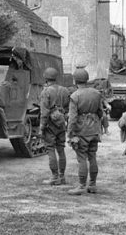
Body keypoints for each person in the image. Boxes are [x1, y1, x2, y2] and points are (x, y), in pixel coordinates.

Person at [67, 67, 104, 195]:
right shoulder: (96, 93)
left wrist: (70, 134)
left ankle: (82, 186)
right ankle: (92, 185)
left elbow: (72, 118)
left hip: (81, 130)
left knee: (81, 158)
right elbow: (100, 112)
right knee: (92, 156)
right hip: (94, 129)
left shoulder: (74, 96)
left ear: (75, 80)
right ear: (87, 79)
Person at [39, 67, 70, 186]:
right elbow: (67, 108)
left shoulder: (45, 91)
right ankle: (62, 177)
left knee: (50, 149)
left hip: (50, 125)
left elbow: (44, 112)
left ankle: (54, 177)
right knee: (61, 149)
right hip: (61, 122)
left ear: (46, 78)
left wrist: (42, 127)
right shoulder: (65, 90)